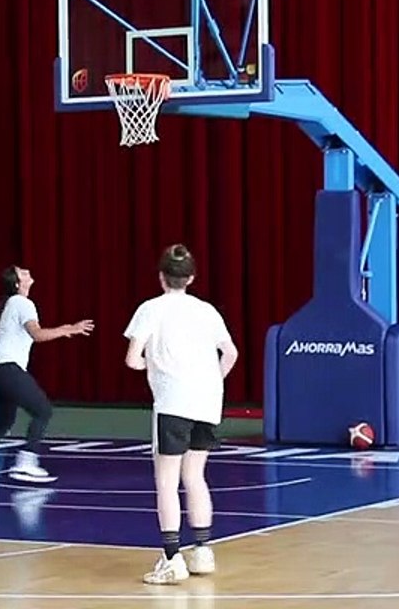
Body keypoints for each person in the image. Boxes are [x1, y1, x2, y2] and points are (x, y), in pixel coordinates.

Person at [123, 244, 238, 585]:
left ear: (161, 277)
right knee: (195, 476)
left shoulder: (151, 309)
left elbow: (132, 358)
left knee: (167, 482)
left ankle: (172, 559)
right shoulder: (207, 311)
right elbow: (230, 353)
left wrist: (152, 367)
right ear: (191, 277)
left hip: (173, 403)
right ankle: (202, 551)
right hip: (206, 402)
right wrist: (210, 381)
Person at [0, 265, 93, 485]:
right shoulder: (22, 303)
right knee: (42, 410)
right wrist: (69, 328)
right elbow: (37, 334)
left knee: (3, 421)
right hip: (5, 366)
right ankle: (26, 463)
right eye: (22, 272)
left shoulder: (13, 304)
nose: (27, 271)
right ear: (17, 283)